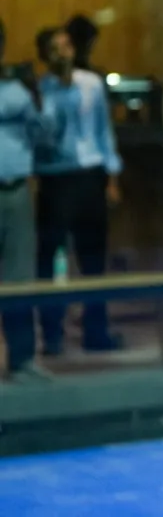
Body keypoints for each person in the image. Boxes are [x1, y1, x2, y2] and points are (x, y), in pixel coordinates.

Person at [33, 27, 124, 354]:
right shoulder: (41, 89)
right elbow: (43, 138)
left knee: (93, 258)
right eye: (54, 48)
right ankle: (52, 334)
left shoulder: (92, 83)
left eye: (66, 45)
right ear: (45, 56)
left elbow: (103, 131)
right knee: (51, 259)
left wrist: (112, 178)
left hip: (90, 174)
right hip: (56, 177)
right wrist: (53, 95)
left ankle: (96, 331)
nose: (62, 53)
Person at [0, 19, 55, 381]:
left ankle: (22, 360)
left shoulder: (17, 91)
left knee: (19, 278)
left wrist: (36, 98)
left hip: (15, 191)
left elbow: (44, 137)